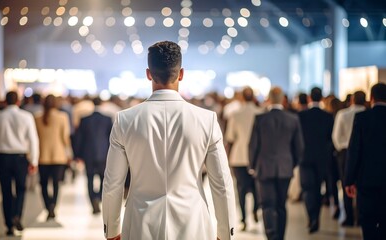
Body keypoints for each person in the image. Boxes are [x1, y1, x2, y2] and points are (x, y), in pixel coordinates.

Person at [102, 41, 236, 240]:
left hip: (140, 223)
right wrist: (226, 233)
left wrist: (111, 230)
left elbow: (113, 183)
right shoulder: (206, 120)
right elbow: (222, 183)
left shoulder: (125, 120)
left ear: (148, 74)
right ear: (181, 73)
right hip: (193, 224)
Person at [249, 87, 304, 240]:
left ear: (269, 99)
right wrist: (291, 164)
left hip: (264, 167)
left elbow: (253, 145)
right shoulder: (292, 119)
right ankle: (280, 236)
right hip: (285, 168)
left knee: (267, 205)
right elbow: (299, 147)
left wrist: (252, 166)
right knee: (281, 205)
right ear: (283, 99)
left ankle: (271, 235)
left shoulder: (260, 119)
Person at [0, 91, 39, 236]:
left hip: (3, 157)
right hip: (20, 157)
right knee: (21, 188)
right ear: (18, 101)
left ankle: (9, 224)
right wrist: (34, 160)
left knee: (6, 191)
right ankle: (17, 214)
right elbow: (33, 140)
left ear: (5, 101)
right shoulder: (26, 117)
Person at [345, 83, 386, 240]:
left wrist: (349, 180)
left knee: (368, 221)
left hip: (367, 180)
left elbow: (355, 150)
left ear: (371, 98)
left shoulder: (363, 118)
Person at [298, 87, 334, 233]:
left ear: (309, 98)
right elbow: (330, 139)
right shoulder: (327, 116)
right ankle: (316, 217)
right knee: (318, 188)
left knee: (307, 189)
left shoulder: (301, 115)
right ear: (321, 98)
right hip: (321, 158)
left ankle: (311, 216)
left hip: (305, 157)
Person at [225, 86, 262, 230]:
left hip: (239, 156)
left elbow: (230, 136)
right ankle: (255, 210)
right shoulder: (260, 113)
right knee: (256, 187)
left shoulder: (236, 114)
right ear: (253, 97)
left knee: (241, 189)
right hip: (257, 156)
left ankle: (244, 218)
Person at [332, 90, 366, 226]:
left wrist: (341, 149)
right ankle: (360, 215)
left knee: (346, 183)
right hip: (364, 153)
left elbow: (336, 136)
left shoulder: (343, 114)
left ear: (352, 99)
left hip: (345, 152)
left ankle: (349, 217)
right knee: (362, 185)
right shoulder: (367, 114)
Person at [35, 95, 71, 220]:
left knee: (43, 184)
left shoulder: (37, 118)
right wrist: (69, 153)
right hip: (58, 155)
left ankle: (47, 205)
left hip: (42, 155)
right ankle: (53, 206)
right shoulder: (62, 117)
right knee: (56, 183)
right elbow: (65, 137)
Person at [74, 97, 113, 214]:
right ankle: (99, 197)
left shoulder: (85, 119)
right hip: (104, 153)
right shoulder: (107, 119)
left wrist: (77, 155)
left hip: (88, 153)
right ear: (101, 103)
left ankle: (93, 199)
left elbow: (79, 138)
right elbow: (111, 138)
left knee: (90, 178)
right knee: (103, 178)